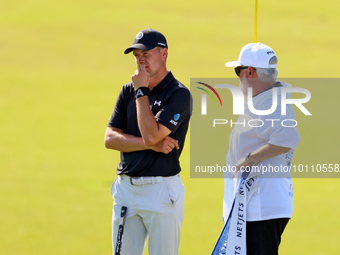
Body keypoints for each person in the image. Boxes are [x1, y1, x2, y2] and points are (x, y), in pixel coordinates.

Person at [104, 28, 192, 255]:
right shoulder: (127, 90)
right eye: (136, 55)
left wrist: (141, 90)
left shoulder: (179, 94)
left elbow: (152, 134)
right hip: (126, 190)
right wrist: (151, 145)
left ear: (164, 53)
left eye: (146, 53)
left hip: (161, 189)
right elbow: (110, 139)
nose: (140, 60)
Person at [222, 42, 300, 255]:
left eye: (238, 71)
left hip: (261, 207)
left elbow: (287, 139)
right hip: (254, 207)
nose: (237, 76)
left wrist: (247, 160)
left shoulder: (271, 101)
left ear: (250, 72)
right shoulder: (264, 99)